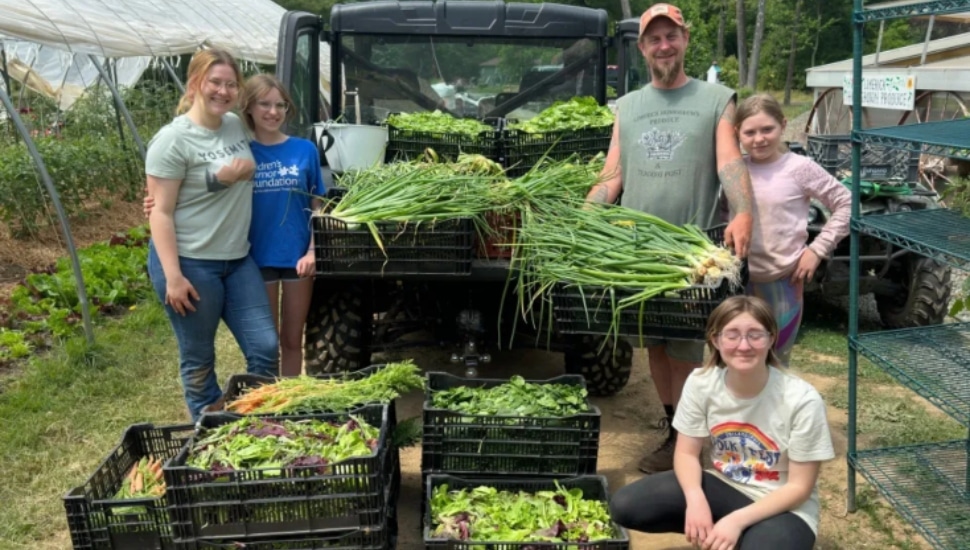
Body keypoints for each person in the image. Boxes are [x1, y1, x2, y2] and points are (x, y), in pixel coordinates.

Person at [585, 2, 755, 474]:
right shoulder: (629, 106)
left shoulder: (717, 98)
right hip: (638, 254)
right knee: (656, 346)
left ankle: (689, 439)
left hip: (690, 251)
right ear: (642, 48)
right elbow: (612, 173)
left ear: (685, 40)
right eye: (654, 39)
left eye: (671, 36)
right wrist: (583, 217)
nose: (664, 45)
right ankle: (674, 428)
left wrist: (743, 212)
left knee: (686, 349)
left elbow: (728, 160)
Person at [610, 295, 835, 550]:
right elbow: (685, 453)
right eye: (732, 335)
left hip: (784, 504)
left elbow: (799, 487)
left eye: (755, 334)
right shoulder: (702, 383)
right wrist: (695, 500)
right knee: (625, 505)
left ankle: (755, 536)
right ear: (716, 340)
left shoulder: (802, 399)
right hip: (727, 485)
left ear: (771, 338)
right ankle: (740, 536)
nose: (743, 345)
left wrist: (736, 521)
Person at [145, 49, 278, 422]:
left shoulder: (235, 124)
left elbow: (267, 127)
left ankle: (256, 423)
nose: (223, 90)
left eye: (230, 84)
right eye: (214, 82)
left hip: (237, 259)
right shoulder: (173, 140)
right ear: (194, 84)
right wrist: (173, 277)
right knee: (200, 358)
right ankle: (212, 433)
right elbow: (160, 212)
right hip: (190, 262)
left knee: (265, 346)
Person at [736, 94, 851, 366]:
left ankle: (775, 409)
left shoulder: (800, 168)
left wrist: (817, 250)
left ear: (783, 125)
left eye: (767, 129)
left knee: (776, 360)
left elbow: (847, 204)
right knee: (738, 360)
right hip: (736, 282)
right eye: (749, 132)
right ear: (737, 133)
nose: (759, 138)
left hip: (784, 283)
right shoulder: (735, 171)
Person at [240, 74, 326, 376]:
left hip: (296, 258)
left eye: (280, 105)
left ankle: (288, 405)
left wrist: (313, 251)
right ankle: (265, 402)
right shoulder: (241, 150)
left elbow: (317, 205)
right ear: (249, 107)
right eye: (264, 104)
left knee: (292, 340)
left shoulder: (305, 150)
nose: (273, 112)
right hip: (254, 259)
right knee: (265, 344)